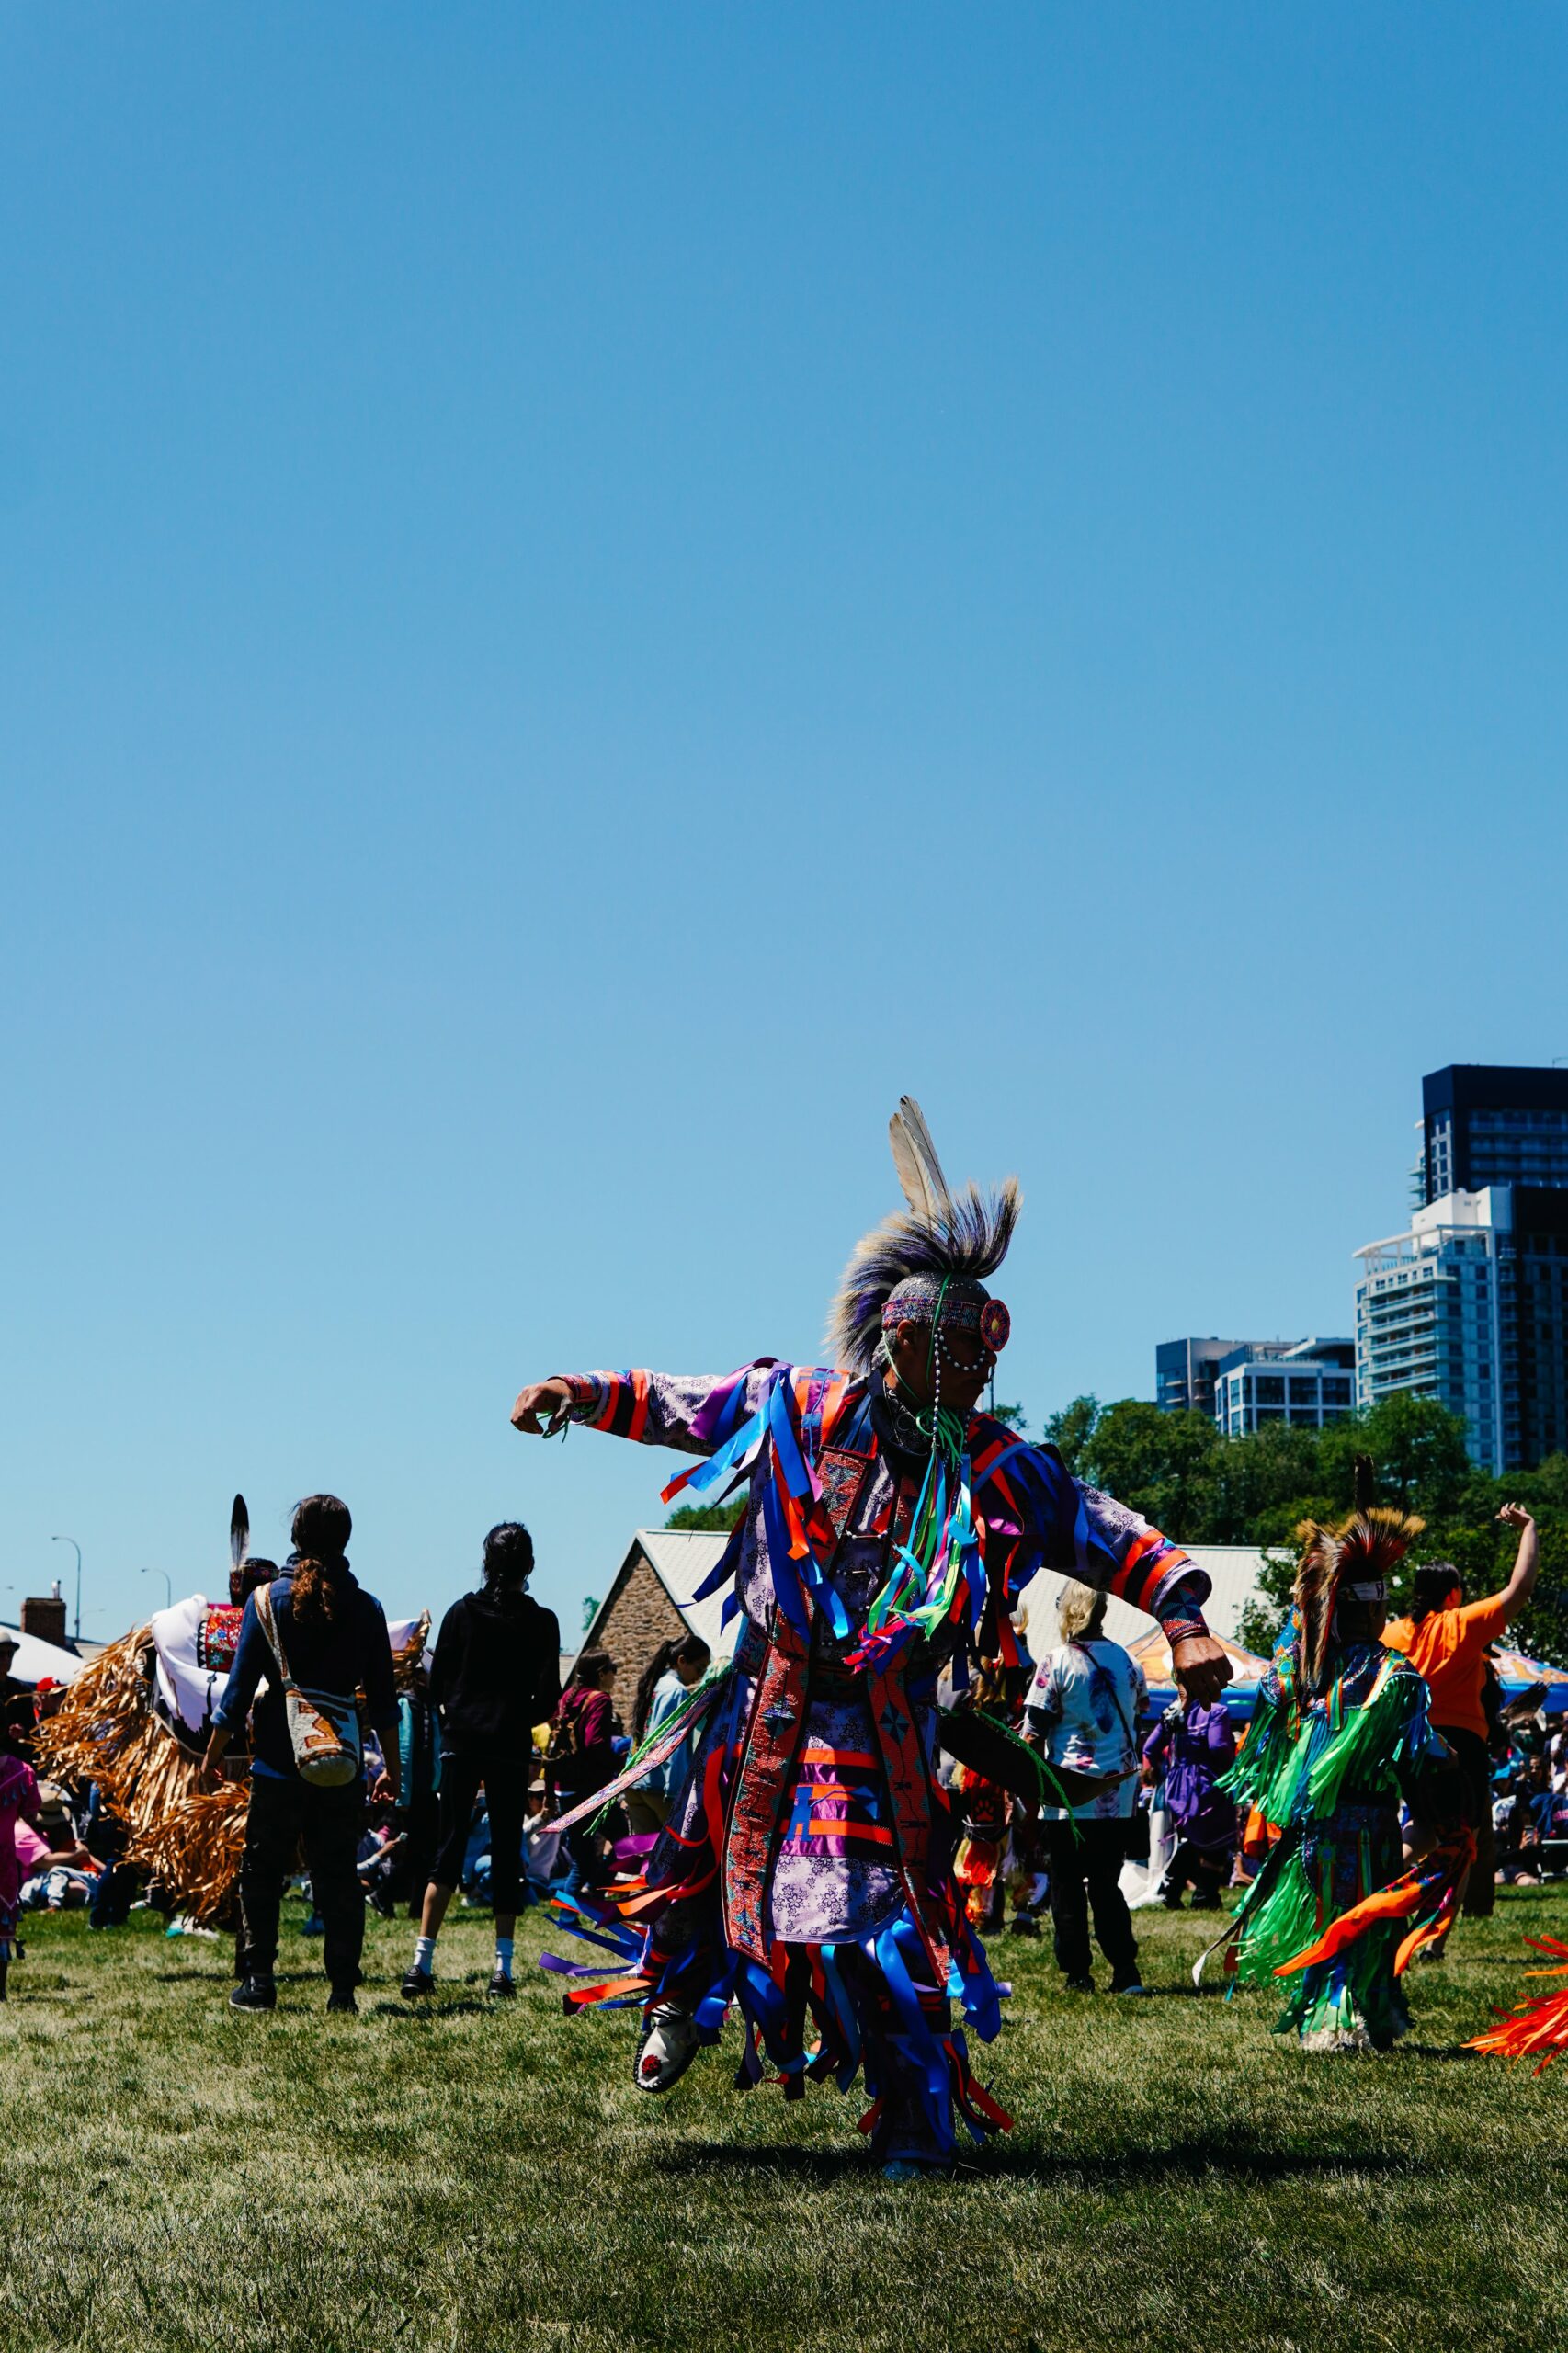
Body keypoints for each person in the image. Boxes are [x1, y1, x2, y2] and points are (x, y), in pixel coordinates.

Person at [510, 1097, 1229, 2177]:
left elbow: (1105, 1529)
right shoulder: (796, 1407)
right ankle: (679, 2005)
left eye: (988, 1351)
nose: (981, 1373)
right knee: (702, 1867)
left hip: (880, 1733)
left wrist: (1179, 1614)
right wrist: (576, 1391)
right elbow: (678, 1403)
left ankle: (909, 2119)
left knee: (884, 1924)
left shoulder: (995, 1466)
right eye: (963, 1348)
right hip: (759, 1705)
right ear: (902, 1342)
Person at [1213, 1465, 1466, 2052]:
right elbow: (1419, 1751)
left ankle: (1352, 2018)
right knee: (1362, 1920)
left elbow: (1269, 1738)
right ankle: (1340, 2021)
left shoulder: (1297, 1667)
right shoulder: (1391, 1673)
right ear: (1370, 1609)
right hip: (1370, 1821)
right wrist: (1446, 1765)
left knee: (1330, 1917)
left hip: (1311, 1828)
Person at [204, 1494, 400, 2016]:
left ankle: (260, 1981)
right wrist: (395, 1771)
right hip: (340, 1762)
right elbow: (384, 1704)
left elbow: (238, 1693)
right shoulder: (367, 1608)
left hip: (275, 1759)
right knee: (338, 1873)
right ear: (346, 1541)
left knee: (263, 1870)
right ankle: (342, 1991)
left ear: (295, 1538)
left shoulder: (267, 1601)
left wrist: (212, 1754)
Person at [402, 1522, 561, 1999]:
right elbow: (548, 1697)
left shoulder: (460, 1613)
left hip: (463, 1739)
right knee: (509, 1849)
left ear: (486, 1562)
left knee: (447, 1848)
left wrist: (462, 1710)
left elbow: (438, 1681)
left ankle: (421, 1963)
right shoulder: (542, 1621)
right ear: (529, 1566)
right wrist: (514, 1714)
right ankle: (502, 1971)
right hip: (509, 1744)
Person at [1383, 1505, 1538, 1927]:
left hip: (1410, 1743)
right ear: (1452, 1593)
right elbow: (1519, 1589)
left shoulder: (1393, 1634)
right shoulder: (1461, 1624)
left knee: (1422, 1827)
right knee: (1463, 1840)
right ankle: (1436, 1936)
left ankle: (1383, 1883)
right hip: (1460, 1745)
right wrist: (1529, 1529)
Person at [1024, 1583, 1148, 1995]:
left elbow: (1032, 1734)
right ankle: (1125, 1971)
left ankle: (1078, 1974)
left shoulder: (1056, 1661)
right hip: (1116, 1795)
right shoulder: (1130, 1661)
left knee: (1066, 1886)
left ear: (1069, 1610)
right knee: (1106, 1885)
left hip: (1068, 1798)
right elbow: (1139, 1718)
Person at [1142, 1691, 1237, 1910]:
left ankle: (1171, 1890)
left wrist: (1166, 1770)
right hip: (1206, 1784)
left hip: (1178, 1788)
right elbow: (1218, 1747)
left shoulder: (1172, 1713)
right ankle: (1204, 1897)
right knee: (1216, 1842)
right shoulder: (1216, 1712)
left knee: (1193, 1840)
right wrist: (1232, 1769)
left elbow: (1149, 1748)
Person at [546, 1651, 619, 1894]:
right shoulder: (600, 1700)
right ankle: (594, 1888)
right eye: (613, 1670)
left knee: (582, 1858)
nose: (615, 1676)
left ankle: (570, 1914)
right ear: (601, 1674)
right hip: (592, 1789)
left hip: (565, 1787)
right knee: (625, 1843)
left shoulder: (568, 1697)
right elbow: (594, 1742)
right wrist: (618, 1760)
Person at [625, 1634, 711, 1836]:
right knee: (672, 1856)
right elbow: (671, 1745)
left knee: (646, 1856)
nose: (699, 1676)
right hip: (658, 1787)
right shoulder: (676, 1692)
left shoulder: (654, 1684)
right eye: (699, 1668)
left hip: (634, 1782)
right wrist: (675, 1792)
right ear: (682, 1661)